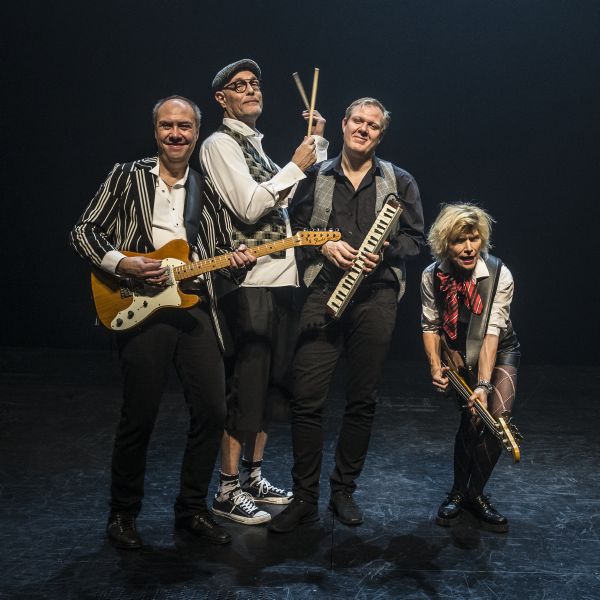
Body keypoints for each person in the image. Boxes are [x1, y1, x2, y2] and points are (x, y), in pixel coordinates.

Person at [69, 95, 256, 548]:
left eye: (185, 126)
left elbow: (220, 251)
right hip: (141, 305)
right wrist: (122, 263)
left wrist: (237, 261)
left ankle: (191, 509)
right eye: (167, 126)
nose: (176, 133)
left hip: (193, 306)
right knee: (140, 415)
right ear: (156, 131)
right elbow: (84, 232)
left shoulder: (207, 187)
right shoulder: (126, 175)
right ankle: (123, 514)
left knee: (213, 411)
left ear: (196, 132)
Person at [269, 97, 425, 533]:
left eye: (372, 125)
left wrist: (386, 249)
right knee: (307, 398)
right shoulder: (316, 175)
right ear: (343, 124)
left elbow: (416, 240)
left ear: (381, 134)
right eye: (357, 120)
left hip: (376, 296)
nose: (363, 129)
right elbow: (293, 231)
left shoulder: (400, 180)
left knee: (362, 398)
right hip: (322, 292)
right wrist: (324, 245)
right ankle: (304, 498)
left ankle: (343, 491)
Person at [200, 59, 328, 525]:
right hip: (249, 281)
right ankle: (227, 488)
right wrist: (295, 164)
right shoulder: (219, 144)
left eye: (255, 83)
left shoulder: (256, 146)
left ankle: (253, 476)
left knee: (273, 388)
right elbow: (251, 206)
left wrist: (317, 143)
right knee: (247, 387)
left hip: (282, 279)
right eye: (240, 85)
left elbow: (287, 195)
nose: (252, 90)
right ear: (222, 99)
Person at [420, 203, 520, 532]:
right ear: (444, 243)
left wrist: (484, 385)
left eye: (474, 239)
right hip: (458, 354)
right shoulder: (432, 275)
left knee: (497, 420)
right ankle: (458, 492)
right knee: (471, 419)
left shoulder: (499, 274)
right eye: (459, 240)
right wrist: (436, 366)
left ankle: (475, 493)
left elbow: (491, 333)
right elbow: (430, 325)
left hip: (499, 350)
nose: (468, 248)